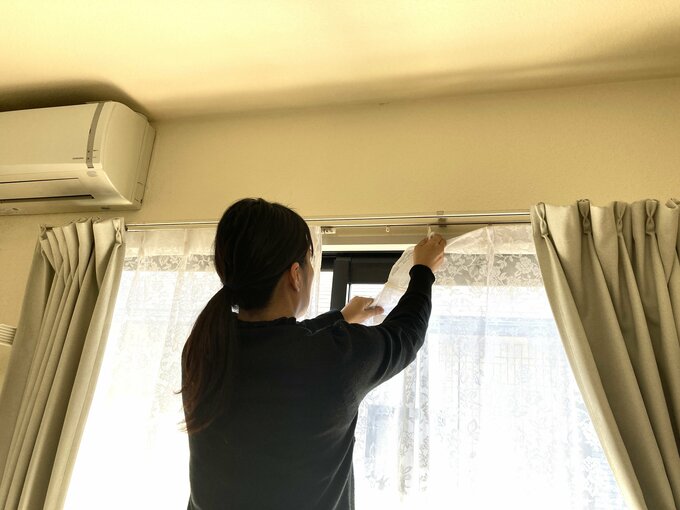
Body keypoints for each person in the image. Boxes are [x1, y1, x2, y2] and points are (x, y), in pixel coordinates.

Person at [181, 198, 445, 510]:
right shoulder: (331, 358)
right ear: (295, 274)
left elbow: (280, 343)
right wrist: (423, 270)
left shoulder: (205, 348)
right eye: (309, 261)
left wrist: (340, 318)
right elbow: (405, 335)